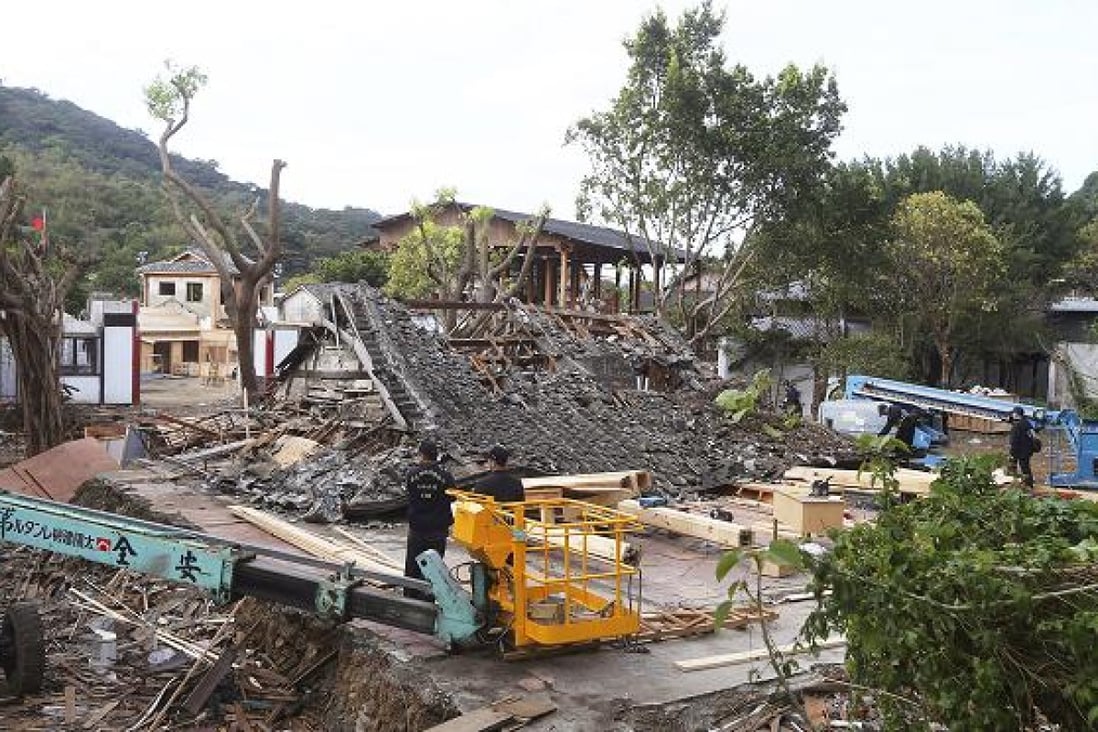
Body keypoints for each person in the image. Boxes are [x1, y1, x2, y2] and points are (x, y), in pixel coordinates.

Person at [403, 439, 455, 600]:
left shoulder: (411, 474)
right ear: (436, 455)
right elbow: (453, 497)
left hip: (417, 527)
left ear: (421, 454)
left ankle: (410, 595)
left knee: (413, 563)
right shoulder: (445, 476)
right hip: (438, 528)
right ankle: (432, 595)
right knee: (435, 565)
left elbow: (409, 495)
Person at [1008, 406, 1037, 489]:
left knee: (1016, 468)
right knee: (1026, 467)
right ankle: (1029, 484)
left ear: (1016, 414)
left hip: (1019, 451)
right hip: (1028, 450)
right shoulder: (1027, 423)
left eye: (1013, 413)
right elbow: (1033, 435)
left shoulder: (1017, 426)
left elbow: (1014, 441)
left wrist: (1012, 453)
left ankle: (1024, 485)